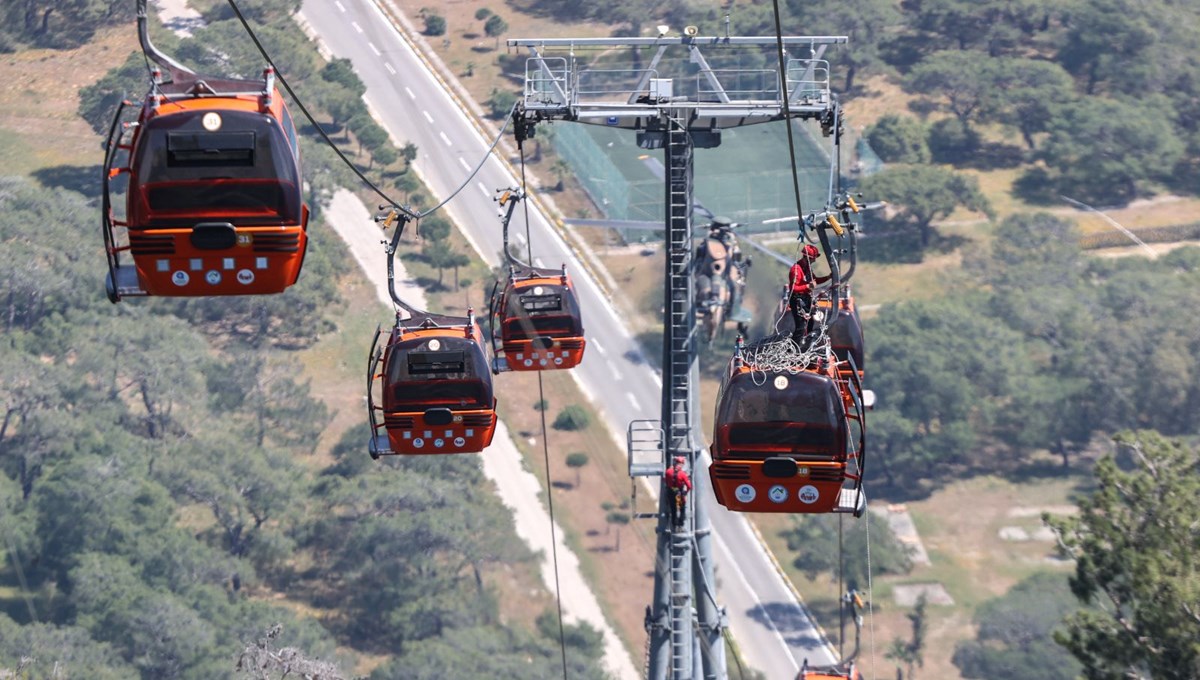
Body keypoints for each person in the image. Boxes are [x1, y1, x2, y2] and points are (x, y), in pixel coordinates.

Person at [788, 244, 830, 342]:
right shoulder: (796, 270)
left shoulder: (807, 268)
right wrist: (807, 286)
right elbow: (793, 288)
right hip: (797, 300)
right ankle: (794, 350)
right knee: (801, 327)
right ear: (807, 258)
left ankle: (806, 344)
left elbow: (815, 280)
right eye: (813, 259)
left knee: (809, 323)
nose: (814, 261)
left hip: (805, 299)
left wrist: (828, 277)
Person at [664, 456, 692, 528]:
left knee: (673, 508)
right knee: (681, 507)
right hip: (679, 493)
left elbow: (665, 481)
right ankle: (681, 522)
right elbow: (689, 486)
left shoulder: (668, 471)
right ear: (681, 464)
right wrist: (686, 492)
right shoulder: (682, 474)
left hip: (671, 492)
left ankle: (674, 523)